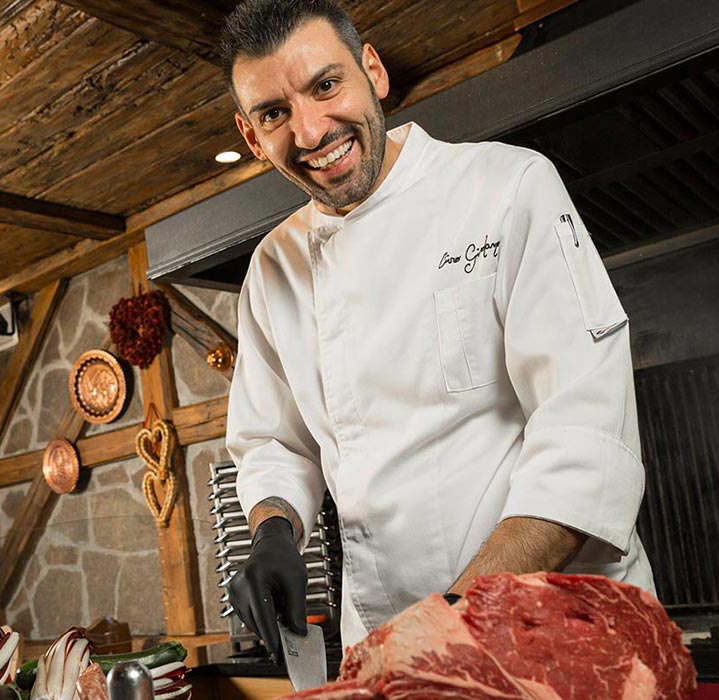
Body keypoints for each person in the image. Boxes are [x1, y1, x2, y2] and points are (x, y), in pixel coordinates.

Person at [218, 0, 656, 660]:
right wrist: (274, 529)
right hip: (394, 643)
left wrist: (456, 620)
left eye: (326, 85)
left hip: (558, 629)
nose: (309, 130)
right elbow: (273, 443)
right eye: (274, 113)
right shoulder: (275, 266)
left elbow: (585, 435)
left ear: (373, 72)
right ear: (251, 137)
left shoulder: (506, 187)